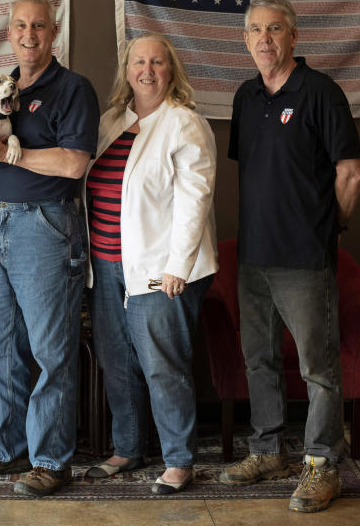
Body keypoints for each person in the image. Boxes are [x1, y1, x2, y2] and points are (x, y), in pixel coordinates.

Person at [220, 0, 360, 513]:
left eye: (275, 29)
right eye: (256, 30)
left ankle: (323, 466)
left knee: (317, 367)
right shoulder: (245, 97)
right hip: (253, 254)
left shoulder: (321, 92)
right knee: (258, 359)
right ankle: (268, 452)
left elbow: (351, 171)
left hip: (304, 256)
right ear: (245, 40)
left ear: (294, 36)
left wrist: (334, 227)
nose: (264, 39)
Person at [0, 0, 99, 497]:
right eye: (20, 26)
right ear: (9, 32)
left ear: (53, 32)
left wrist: (3, 155)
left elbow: (75, 164)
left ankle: (52, 460)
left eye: (39, 26)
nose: (29, 34)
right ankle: (5, 447)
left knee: (50, 350)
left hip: (46, 227)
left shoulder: (73, 89)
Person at [83, 34, 218, 495]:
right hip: (106, 266)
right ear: (127, 70)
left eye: (157, 62)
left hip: (162, 270)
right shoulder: (110, 122)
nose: (147, 69)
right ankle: (127, 447)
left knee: (163, 365)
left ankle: (179, 460)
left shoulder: (184, 124)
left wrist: (178, 265)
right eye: (138, 61)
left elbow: (194, 200)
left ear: (171, 69)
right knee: (116, 361)